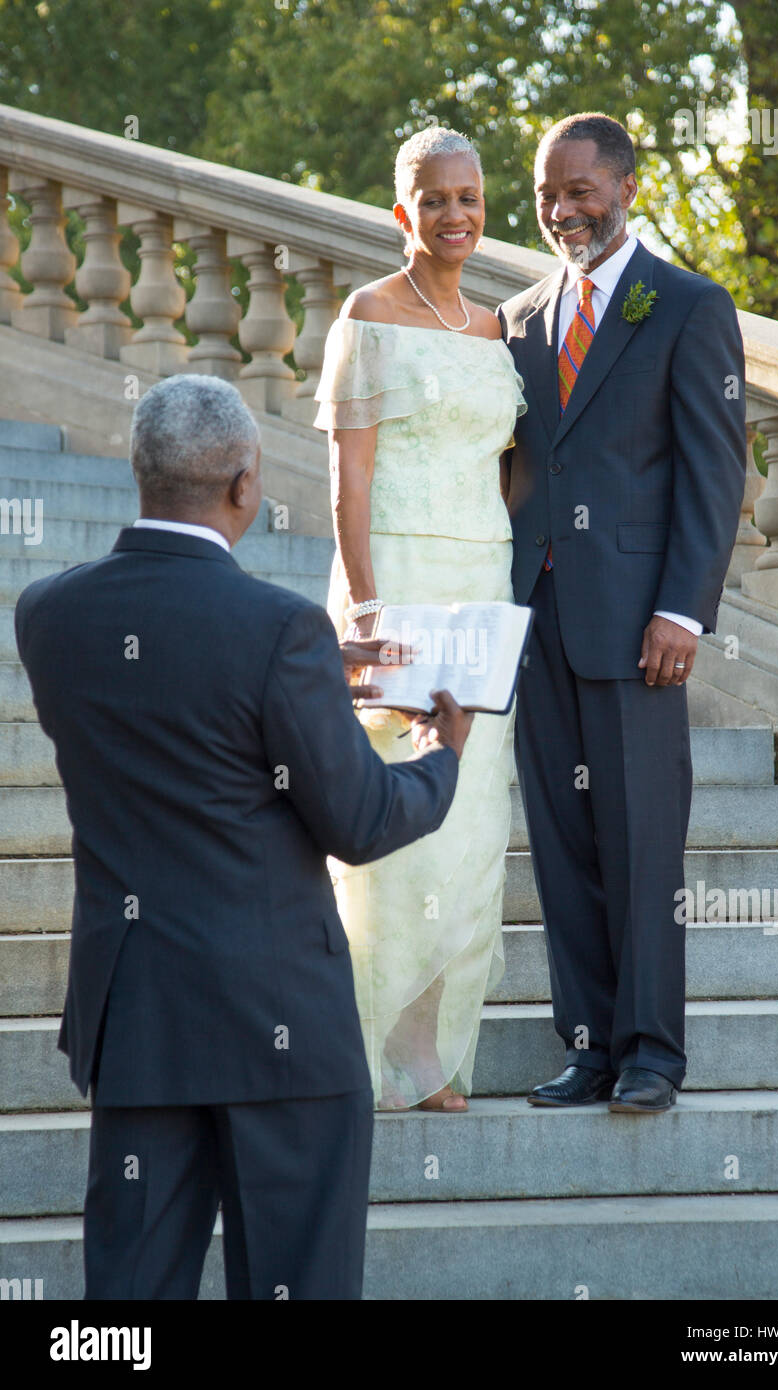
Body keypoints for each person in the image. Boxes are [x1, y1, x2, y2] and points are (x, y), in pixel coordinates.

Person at [14, 373, 474, 1300]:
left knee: (127, 1307)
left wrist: (304, 681)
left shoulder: (48, 614)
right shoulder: (280, 628)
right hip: (282, 1030)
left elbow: (176, 701)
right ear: (244, 485)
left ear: (140, 472)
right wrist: (442, 756)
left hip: (138, 1021)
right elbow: (361, 819)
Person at [497, 113, 746, 1113]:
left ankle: (650, 1053)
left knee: (640, 842)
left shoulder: (686, 306)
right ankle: (590, 1044)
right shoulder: (516, 319)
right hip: (536, 621)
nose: (561, 210)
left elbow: (713, 470)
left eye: (579, 191)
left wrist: (681, 613)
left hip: (638, 622)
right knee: (562, 840)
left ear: (627, 188)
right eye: (546, 195)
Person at [314, 127, 527, 1113]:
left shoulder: (495, 331)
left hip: (481, 585)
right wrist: (364, 610)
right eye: (433, 199)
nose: (453, 216)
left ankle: (432, 1053)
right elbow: (345, 484)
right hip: (395, 581)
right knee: (392, 813)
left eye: (469, 198)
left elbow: (507, 471)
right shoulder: (365, 317)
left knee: (471, 824)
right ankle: (370, 1045)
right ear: (401, 208)